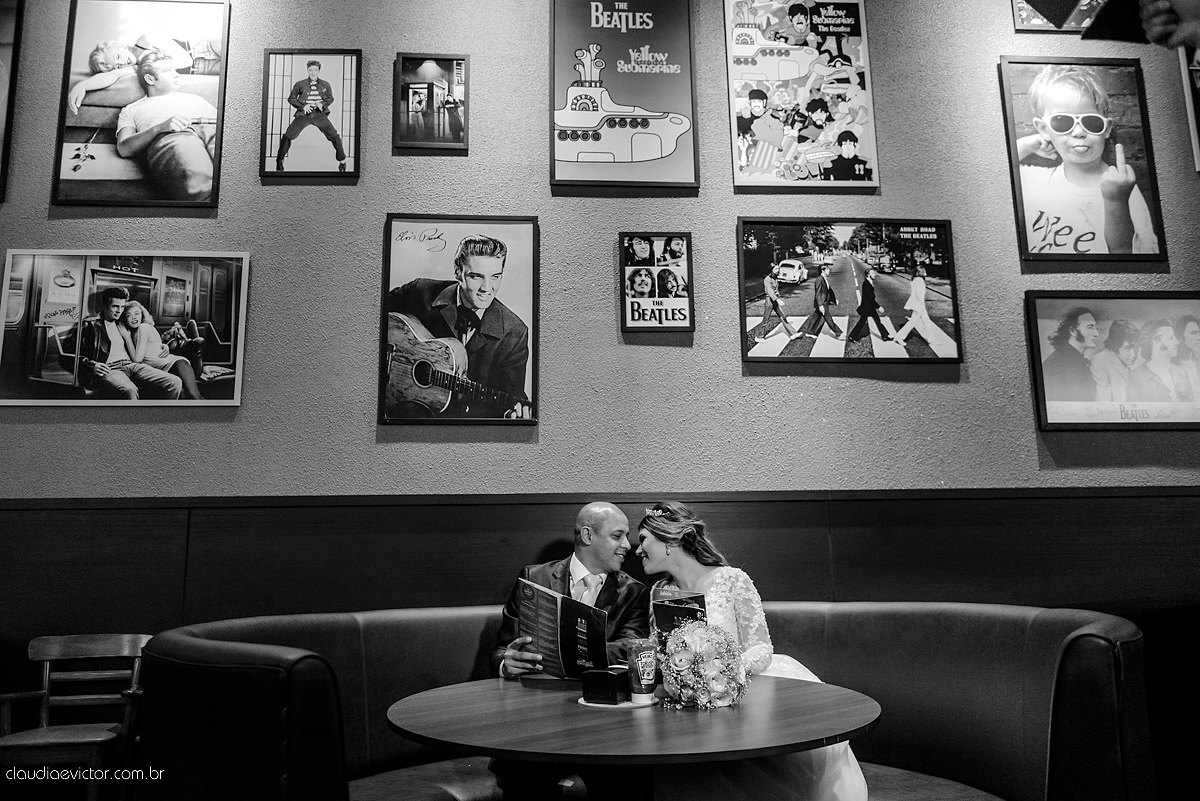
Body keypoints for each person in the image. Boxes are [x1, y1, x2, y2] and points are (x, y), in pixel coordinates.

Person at [635, 502, 868, 801]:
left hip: (741, 692)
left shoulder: (731, 580)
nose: (637, 550)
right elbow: (661, 652)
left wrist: (723, 671)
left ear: (669, 540)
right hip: (687, 702)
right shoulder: (658, 592)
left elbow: (762, 647)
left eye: (643, 540)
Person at [491, 501, 650, 801]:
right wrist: (506, 662)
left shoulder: (633, 592)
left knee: (625, 781)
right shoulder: (533, 577)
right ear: (588, 536)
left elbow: (631, 647)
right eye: (618, 536)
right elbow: (501, 650)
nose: (627, 546)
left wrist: (575, 649)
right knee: (524, 777)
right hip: (537, 720)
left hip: (605, 724)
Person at [1014, 64, 1159, 255]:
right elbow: (991, 175)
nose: (1079, 132)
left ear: (1106, 129)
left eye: (1091, 122)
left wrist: (1116, 201)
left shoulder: (1123, 189)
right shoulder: (1036, 180)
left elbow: (1131, 256)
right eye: (1062, 122)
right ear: (1043, 129)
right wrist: (1026, 145)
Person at [386, 234, 530, 418]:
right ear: (457, 272)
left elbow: (512, 396)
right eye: (476, 277)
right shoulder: (419, 292)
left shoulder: (515, 332)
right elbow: (370, 319)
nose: (487, 288)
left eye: (495, 277)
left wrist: (513, 413)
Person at [115, 49, 218, 201]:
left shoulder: (196, 99)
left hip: (212, 127)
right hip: (175, 135)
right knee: (202, 188)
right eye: (168, 70)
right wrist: (159, 128)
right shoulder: (131, 109)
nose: (176, 74)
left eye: (175, 69)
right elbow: (124, 148)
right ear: (150, 79)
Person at [67, 32, 222, 114]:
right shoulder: (138, 65)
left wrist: (142, 62)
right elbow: (112, 76)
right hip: (202, 68)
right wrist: (83, 85)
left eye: (117, 56)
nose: (122, 63)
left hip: (205, 47)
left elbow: (184, 60)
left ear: (119, 46)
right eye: (117, 66)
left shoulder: (144, 40)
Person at [76, 287, 182, 400]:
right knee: (129, 390)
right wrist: (92, 365)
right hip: (111, 369)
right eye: (115, 306)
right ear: (105, 305)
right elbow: (69, 355)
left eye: (122, 306)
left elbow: (145, 336)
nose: (119, 310)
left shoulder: (124, 323)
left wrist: (163, 345)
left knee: (174, 382)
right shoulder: (90, 326)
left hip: (132, 365)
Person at [118, 301, 203, 400]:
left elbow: (137, 359)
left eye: (137, 313)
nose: (134, 317)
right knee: (183, 398)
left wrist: (127, 338)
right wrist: (164, 345)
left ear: (142, 315)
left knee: (196, 398)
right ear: (125, 318)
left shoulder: (143, 328)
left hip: (176, 365)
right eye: (129, 315)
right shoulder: (132, 332)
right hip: (163, 370)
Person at [276, 60, 347, 172]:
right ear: (307, 70)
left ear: (319, 70)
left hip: (319, 114)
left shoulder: (325, 84)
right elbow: (291, 99)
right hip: (304, 115)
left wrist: (322, 104)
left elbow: (330, 98)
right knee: (288, 136)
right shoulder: (300, 84)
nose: (313, 72)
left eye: (315, 70)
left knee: (335, 136)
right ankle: (279, 160)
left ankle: (342, 161)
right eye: (310, 70)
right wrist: (303, 106)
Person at [1126, 319, 1196, 402]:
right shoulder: (1136, 377)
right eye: (1170, 338)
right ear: (1157, 342)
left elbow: (1192, 408)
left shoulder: (1181, 372)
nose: (1177, 342)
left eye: (1175, 338)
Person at [1041, 306, 1100, 402]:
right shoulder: (1057, 363)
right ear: (1073, 331)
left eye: (1096, 328)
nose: (1096, 334)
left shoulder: (1076, 361)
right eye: (1090, 327)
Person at [1090, 319, 1140, 402]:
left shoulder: (1131, 360)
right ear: (1115, 345)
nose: (1134, 354)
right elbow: (1103, 402)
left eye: (1135, 348)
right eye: (1127, 348)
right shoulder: (1099, 361)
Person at [891, 264, 939, 346]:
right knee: (913, 322)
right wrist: (922, 303)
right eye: (924, 271)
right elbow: (918, 294)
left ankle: (932, 340)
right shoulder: (919, 280)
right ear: (920, 273)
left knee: (926, 321)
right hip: (919, 304)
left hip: (918, 304)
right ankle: (899, 337)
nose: (925, 272)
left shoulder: (916, 279)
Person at [755, 265, 802, 342]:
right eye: (776, 268)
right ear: (771, 269)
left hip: (775, 300)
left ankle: (793, 334)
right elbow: (770, 291)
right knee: (766, 319)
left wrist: (778, 295)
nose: (778, 270)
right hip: (770, 300)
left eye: (778, 268)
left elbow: (776, 289)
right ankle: (759, 337)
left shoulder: (775, 278)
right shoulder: (767, 279)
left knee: (783, 316)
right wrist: (777, 299)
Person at [798, 262, 843, 340]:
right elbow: (818, 294)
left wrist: (834, 300)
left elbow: (829, 291)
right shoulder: (819, 280)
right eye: (828, 269)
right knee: (828, 318)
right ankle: (838, 333)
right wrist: (820, 305)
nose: (829, 270)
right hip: (822, 302)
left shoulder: (824, 279)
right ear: (823, 270)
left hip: (825, 301)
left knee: (816, 316)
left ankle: (809, 332)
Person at [846, 268, 892, 342]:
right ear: (868, 275)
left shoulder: (869, 282)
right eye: (873, 273)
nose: (875, 275)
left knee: (877, 321)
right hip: (867, 308)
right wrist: (879, 307)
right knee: (862, 322)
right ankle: (852, 337)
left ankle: (885, 336)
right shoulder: (866, 284)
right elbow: (870, 298)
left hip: (870, 307)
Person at [1173, 314, 1200, 398]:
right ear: (1180, 337)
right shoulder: (1170, 366)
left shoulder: (1198, 362)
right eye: (1193, 333)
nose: (1199, 337)